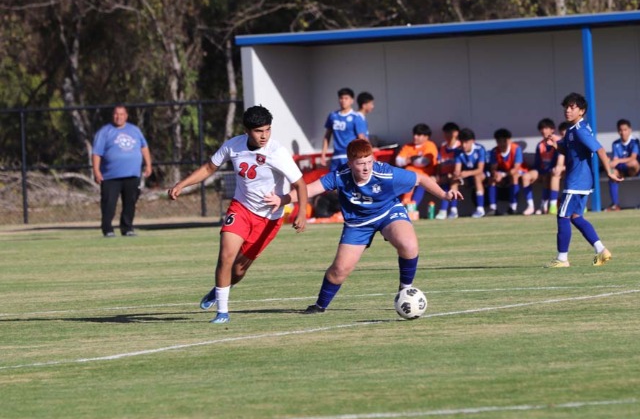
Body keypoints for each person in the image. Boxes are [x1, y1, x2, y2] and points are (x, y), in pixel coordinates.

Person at [265, 138, 463, 314]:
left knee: (409, 245)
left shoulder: (385, 172)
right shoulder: (340, 175)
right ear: (350, 163)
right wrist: (283, 199)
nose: (367, 167)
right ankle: (320, 305)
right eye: (361, 163)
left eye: (369, 162)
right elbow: (309, 189)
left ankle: (405, 289)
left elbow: (420, 178)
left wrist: (444, 195)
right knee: (339, 270)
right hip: (357, 224)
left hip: (388, 212)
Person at [168, 105, 309, 323]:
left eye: (268, 130)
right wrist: (181, 184)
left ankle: (219, 289)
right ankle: (222, 312)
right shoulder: (233, 145)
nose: (264, 136)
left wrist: (302, 214)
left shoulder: (277, 152)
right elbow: (209, 168)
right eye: (259, 131)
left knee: (239, 269)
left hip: (268, 218)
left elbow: (300, 184)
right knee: (226, 256)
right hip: (241, 208)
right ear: (246, 130)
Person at [544, 92, 622, 268]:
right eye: (566, 107)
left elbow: (600, 149)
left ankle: (562, 259)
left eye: (572, 107)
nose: (567, 110)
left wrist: (609, 172)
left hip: (576, 181)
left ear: (582, 111)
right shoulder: (573, 129)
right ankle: (601, 250)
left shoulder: (580, 130)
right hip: (581, 181)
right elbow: (568, 151)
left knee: (562, 216)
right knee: (575, 217)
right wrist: (556, 145)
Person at [92, 105, 152, 237]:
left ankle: (127, 228)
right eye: (116, 114)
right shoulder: (105, 132)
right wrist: (96, 171)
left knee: (130, 203)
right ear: (113, 115)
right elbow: (96, 153)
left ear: (126, 116)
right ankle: (108, 229)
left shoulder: (134, 130)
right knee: (109, 204)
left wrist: (148, 165)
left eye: (121, 114)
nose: (118, 117)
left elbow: (144, 147)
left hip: (132, 174)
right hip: (110, 176)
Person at [486, 128, 536, 215]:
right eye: (499, 141)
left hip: (520, 172)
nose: (502, 144)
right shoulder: (495, 151)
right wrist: (495, 174)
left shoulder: (516, 149)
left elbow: (516, 168)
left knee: (514, 175)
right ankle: (493, 208)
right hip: (504, 173)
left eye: (504, 141)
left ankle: (513, 207)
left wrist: (503, 175)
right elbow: (493, 167)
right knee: (492, 178)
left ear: (509, 140)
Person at [321, 87, 368, 171]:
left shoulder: (356, 117)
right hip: (336, 157)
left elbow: (361, 138)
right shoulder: (333, 116)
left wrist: (367, 155)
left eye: (346, 98)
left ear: (352, 100)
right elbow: (327, 136)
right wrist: (323, 154)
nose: (343, 101)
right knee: (334, 179)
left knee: (350, 178)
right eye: (341, 98)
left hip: (351, 156)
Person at [394, 123, 439, 209]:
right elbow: (398, 161)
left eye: (418, 135)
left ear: (426, 137)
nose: (415, 137)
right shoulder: (408, 146)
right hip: (408, 176)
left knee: (421, 183)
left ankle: (413, 206)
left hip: (426, 175)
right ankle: (403, 204)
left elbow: (424, 162)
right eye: (414, 134)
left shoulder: (430, 145)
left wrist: (409, 160)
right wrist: (412, 159)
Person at [605, 118, 640, 211]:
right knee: (612, 172)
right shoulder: (615, 143)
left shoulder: (635, 142)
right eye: (620, 130)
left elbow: (633, 158)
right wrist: (611, 162)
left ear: (630, 130)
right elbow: (615, 160)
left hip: (634, 170)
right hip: (621, 170)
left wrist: (618, 161)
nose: (623, 132)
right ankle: (615, 204)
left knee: (633, 163)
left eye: (625, 130)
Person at [452, 128, 487, 218]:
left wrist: (467, 173)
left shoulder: (480, 149)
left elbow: (480, 169)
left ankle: (480, 209)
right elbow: (457, 169)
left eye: (466, 142)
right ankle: (453, 210)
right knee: (454, 181)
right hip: (466, 178)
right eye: (462, 142)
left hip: (482, 175)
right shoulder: (458, 151)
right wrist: (456, 174)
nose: (464, 145)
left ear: (472, 141)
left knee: (477, 177)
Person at [531, 118, 562, 215]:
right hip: (547, 171)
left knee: (553, 174)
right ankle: (537, 206)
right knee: (530, 177)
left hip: (562, 170)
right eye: (541, 129)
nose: (543, 131)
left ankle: (552, 205)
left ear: (552, 130)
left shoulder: (559, 141)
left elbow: (560, 160)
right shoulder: (540, 145)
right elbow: (537, 163)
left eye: (546, 128)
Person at [435, 122, 461, 219]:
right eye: (446, 133)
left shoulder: (460, 147)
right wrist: (437, 175)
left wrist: (453, 174)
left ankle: (453, 209)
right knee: (443, 183)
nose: (448, 135)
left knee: (453, 181)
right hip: (444, 175)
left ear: (456, 133)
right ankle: (443, 210)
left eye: (451, 132)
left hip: (458, 176)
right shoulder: (442, 148)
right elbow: (438, 164)